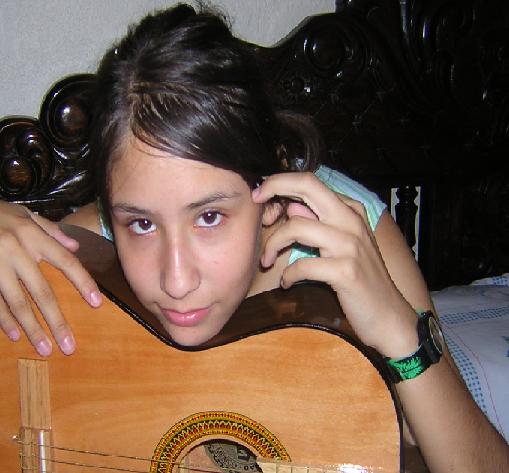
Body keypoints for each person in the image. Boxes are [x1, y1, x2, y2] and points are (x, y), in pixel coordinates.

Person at [0, 3, 507, 472]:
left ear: (272, 194)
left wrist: (400, 332)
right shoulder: (102, 239)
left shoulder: (351, 238)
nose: (177, 281)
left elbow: (446, 451)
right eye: (142, 224)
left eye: (209, 217)